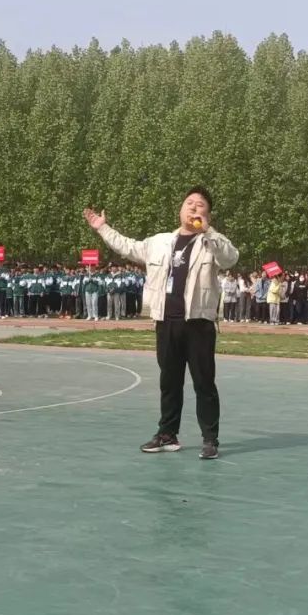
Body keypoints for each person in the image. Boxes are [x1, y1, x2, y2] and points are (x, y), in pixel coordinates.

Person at [84, 186, 239, 460]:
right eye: (189, 202)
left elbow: (230, 258)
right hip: (166, 322)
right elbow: (128, 247)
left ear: (208, 214)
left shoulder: (211, 242)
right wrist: (102, 228)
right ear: (180, 209)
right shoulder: (160, 242)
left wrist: (208, 231)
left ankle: (210, 439)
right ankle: (168, 434)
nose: (193, 207)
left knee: (204, 383)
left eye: (200, 204)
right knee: (169, 382)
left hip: (198, 323)